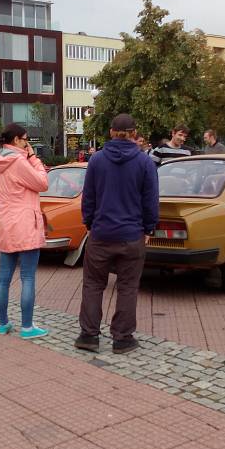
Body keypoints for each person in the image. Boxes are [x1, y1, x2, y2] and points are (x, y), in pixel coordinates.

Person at [76, 113, 158, 354]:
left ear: (111, 132)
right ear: (135, 133)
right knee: (127, 286)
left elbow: (88, 196)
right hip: (132, 235)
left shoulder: (97, 160)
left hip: (101, 233)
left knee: (93, 284)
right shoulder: (144, 162)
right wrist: (149, 227)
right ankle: (122, 339)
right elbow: (151, 200)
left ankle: (88, 336)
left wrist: (89, 223)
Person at [0, 123, 50, 339]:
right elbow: (43, 183)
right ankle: (27, 327)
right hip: (25, 224)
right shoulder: (18, 161)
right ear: (16, 140)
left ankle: (3, 323)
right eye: (26, 139)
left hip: (5, 224)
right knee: (28, 277)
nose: (28, 143)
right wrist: (33, 158)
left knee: (3, 277)